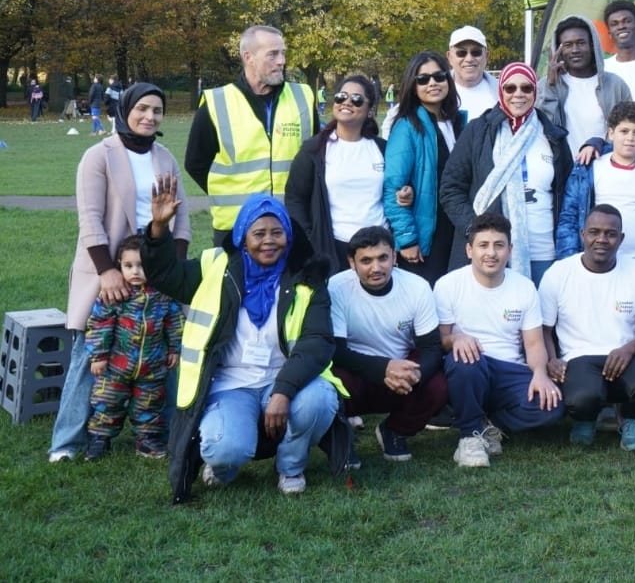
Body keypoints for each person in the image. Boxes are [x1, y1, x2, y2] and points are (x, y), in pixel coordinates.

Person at [142, 189, 346, 500]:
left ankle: (290, 466)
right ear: (242, 236)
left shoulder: (307, 277)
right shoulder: (216, 268)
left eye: (277, 232)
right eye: (259, 233)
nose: (269, 240)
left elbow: (317, 341)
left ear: (288, 236)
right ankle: (223, 467)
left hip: (284, 379)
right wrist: (158, 230)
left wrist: (283, 390)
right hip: (231, 384)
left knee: (319, 400)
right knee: (225, 448)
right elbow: (165, 275)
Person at [50, 82, 191, 463]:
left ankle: (165, 433)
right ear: (125, 110)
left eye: (157, 110)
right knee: (89, 355)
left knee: (167, 351)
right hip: (111, 268)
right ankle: (67, 442)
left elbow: (181, 221)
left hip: (157, 270)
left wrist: (174, 271)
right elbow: (90, 218)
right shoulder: (99, 155)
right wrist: (107, 272)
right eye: (142, 109)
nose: (149, 116)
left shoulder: (165, 157)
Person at [434, 213, 563, 468]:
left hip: (509, 369)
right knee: (465, 362)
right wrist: (456, 339)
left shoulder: (524, 287)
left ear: (510, 250)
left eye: (499, 245)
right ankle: (469, 438)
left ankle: (491, 426)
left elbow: (534, 344)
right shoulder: (448, 285)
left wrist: (539, 373)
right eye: (483, 245)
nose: (491, 253)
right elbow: (439, 339)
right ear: (469, 250)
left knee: (552, 406)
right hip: (470, 366)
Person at [540, 205, 635, 452]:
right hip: (578, 359)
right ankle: (585, 418)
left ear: (621, 238)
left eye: (610, 233)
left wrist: (629, 348)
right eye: (594, 232)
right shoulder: (558, 273)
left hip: (626, 356)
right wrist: (551, 359)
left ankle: (631, 417)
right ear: (582, 234)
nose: (602, 239)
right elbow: (543, 330)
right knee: (582, 398)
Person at [185, 24, 317, 248]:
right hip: (236, 227)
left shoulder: (303, 96)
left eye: (283, 53)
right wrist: (229, 191)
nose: (281, 61)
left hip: (292, 224)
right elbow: (196, 163)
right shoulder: (217, 102)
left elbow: (317, 156)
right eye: (273, 54)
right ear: (249, 57)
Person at [441, 62, 572, 285]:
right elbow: (450, 189)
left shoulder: (552, 135)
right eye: (510, 88)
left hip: (543, 251)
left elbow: (567, 191)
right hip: (491, 251)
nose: (518, 94)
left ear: (535, 91)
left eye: (526, 88)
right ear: (501, 90)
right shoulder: (478, 131)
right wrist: (476, 229)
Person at [328, 226, 448, 463]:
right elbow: (336, 351)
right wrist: (384, 368)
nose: (376, 268)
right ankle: (340, 437)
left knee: (439, 385)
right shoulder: (335, 287)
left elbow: (432, 348)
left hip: (401, 375)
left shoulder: (417, 286)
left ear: (394, 256)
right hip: (356, 372)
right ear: (352, 262)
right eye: (366, 260)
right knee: (325, 386)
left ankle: (394, 431)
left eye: (383, 258)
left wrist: (412, 376)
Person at [81, 237, 184, 460]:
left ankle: (146, 440)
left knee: (149, 404)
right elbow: (100, 323)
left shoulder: (163, 295)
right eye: (128, 266)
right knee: (107, 402)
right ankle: (100, 438)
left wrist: (175, 348)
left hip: (152, 366)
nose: (135, 271)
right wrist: (98, 356)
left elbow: (174, 321)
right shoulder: (115, 295)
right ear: (120, 265)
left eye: (141, 266)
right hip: (115, 367)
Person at [285, 74, 388, 274]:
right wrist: (311, 239)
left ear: (370, 111)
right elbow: (295, 199)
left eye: (357, 99)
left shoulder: (383, 149)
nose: (347, 102)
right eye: (341, 96)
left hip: (377, 249)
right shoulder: (314, 150)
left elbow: (394, 191)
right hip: (333, 249)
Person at [557, 100, 635, 269]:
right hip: (597, 265)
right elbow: (569, 217)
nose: (630, 138)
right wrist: (568, 264)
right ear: (611, 134)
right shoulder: (589, 167)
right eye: (624, 131)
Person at [383, 51, 467, 282]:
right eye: (423, 79)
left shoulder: (458, 122)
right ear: (413, 85)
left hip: (457, 233)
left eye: (439, 76)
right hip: (426, 238)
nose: (432, 83)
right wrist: (407, 238)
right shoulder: (407, 126)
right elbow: (394, 187)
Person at [538, 14, 632, 154]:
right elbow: (542, 130)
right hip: (564, 171)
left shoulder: (615, 85)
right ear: (558, 50)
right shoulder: (545, 86)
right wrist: (550, 86)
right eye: (568, 45)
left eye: (581, 43)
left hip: (605, 166)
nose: (575, 50)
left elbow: (629, 129)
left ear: (592, 45)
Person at [447, 25, 498, 121]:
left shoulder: (504, 93)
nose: (469, 59)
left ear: (486, 56)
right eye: (461, 53)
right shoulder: (436, 93)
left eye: (476, 52)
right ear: (450, 57)